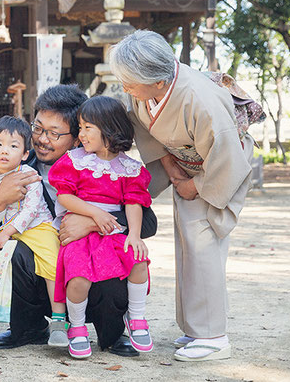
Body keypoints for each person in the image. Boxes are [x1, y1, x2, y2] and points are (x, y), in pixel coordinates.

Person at [110, 30, 260, 362]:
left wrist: (196, 184)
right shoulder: (146, 88)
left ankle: (214, 337)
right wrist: (172, 169)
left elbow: (226, 154)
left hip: (218, 167)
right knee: (187, 243)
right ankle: (196, 329)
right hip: (184, 162)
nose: (126, 89)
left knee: (203, 240)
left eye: (130, 82)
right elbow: (143, 125)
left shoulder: (199, 100)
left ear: (159, 81)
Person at [0, 85, 158, 357]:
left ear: (79, 137)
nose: (41, 139)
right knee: (18, 252)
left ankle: (111, 333)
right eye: (38, 128)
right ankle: (28, 327)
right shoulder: (17, 171)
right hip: (46, 277)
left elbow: (148, 224)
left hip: (90, 270)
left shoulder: (105, 168)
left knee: (118, 256)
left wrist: (92, 221)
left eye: (54, 133)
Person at [49, 96, 153, 359]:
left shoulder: (129, 168)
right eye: (80, 127)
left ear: (109, 128)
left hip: (113, 234)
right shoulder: (75, 161)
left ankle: (137, 317)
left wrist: (134, 236)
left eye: (87, 128)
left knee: (139, 260)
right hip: (80, 234)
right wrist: (94, 213)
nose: (80, 134)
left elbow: (133, 202)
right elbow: (64, 196)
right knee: (79, 277)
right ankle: (77, 326)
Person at [0, 116, 67, 347]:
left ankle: (58, 321)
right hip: (9, 229)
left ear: (25, 153)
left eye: (13, 146)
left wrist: (5, 233)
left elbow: (31, 210)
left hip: (37, 227)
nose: (5, 151)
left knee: (52, 262)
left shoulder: (29, 175)